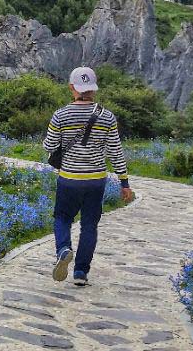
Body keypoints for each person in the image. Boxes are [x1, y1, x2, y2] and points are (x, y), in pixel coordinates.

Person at [41, 65, 134, 287]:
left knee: (62, 218)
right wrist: (124, 182)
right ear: (93, 89)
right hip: (95, 180)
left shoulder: (61, 114)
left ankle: (64, 249)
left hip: (69, 178)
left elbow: (50, 145)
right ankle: (81, 272)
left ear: (72, 87)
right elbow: (115, 151)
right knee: (89, 225)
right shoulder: (107, 116)